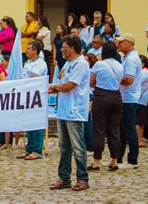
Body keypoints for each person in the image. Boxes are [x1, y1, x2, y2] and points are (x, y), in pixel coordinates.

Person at [48, 35, 90, 191]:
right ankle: (64, 177)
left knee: (78, 147)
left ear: (72, 48)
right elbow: (61, 80)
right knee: (64, 146)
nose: (61, 49)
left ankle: (82, 178)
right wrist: (56, 86)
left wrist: (55, 87)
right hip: (64, 110)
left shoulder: (81, 64)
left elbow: (70, 85)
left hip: (75, 110)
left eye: (64, 46)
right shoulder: (68, 63)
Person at [88, 42, 124, 171]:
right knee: (114, 130)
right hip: (117, 97)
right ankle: (114, 160)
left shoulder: (99, 64)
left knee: (99, 129)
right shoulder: (120, 65)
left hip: (102, 97)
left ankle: (97, 161)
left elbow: (91, 82)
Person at [18, 41, 47, 160]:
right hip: (27, 95)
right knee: (29, 123)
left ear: (35, 50)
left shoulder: (40, 64)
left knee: (37, 124)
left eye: (29, 48)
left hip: (37, 96)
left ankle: (37, 149)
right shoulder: (28, 63)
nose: (27, 50)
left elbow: (33, 79)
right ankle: (29, 148)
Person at [116, 33, 141, 169]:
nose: (119, 44)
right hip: (126, 98)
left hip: (129, 98)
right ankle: (118, 158)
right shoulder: (127, 57)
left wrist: (115, 79)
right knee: (123, 129)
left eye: (121, 42)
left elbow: (129, 80)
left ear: (129, 43)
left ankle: (132, 160)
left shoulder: (131, 59)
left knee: (129, 129)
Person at [136, 55, 148, 147]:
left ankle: (139, 139)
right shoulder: (143, 72)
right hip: (140, 100)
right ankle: (139, 140)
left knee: (140, 121)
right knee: (139, 121)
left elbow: (138, 86)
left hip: (141, 99)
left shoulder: (143, 72)